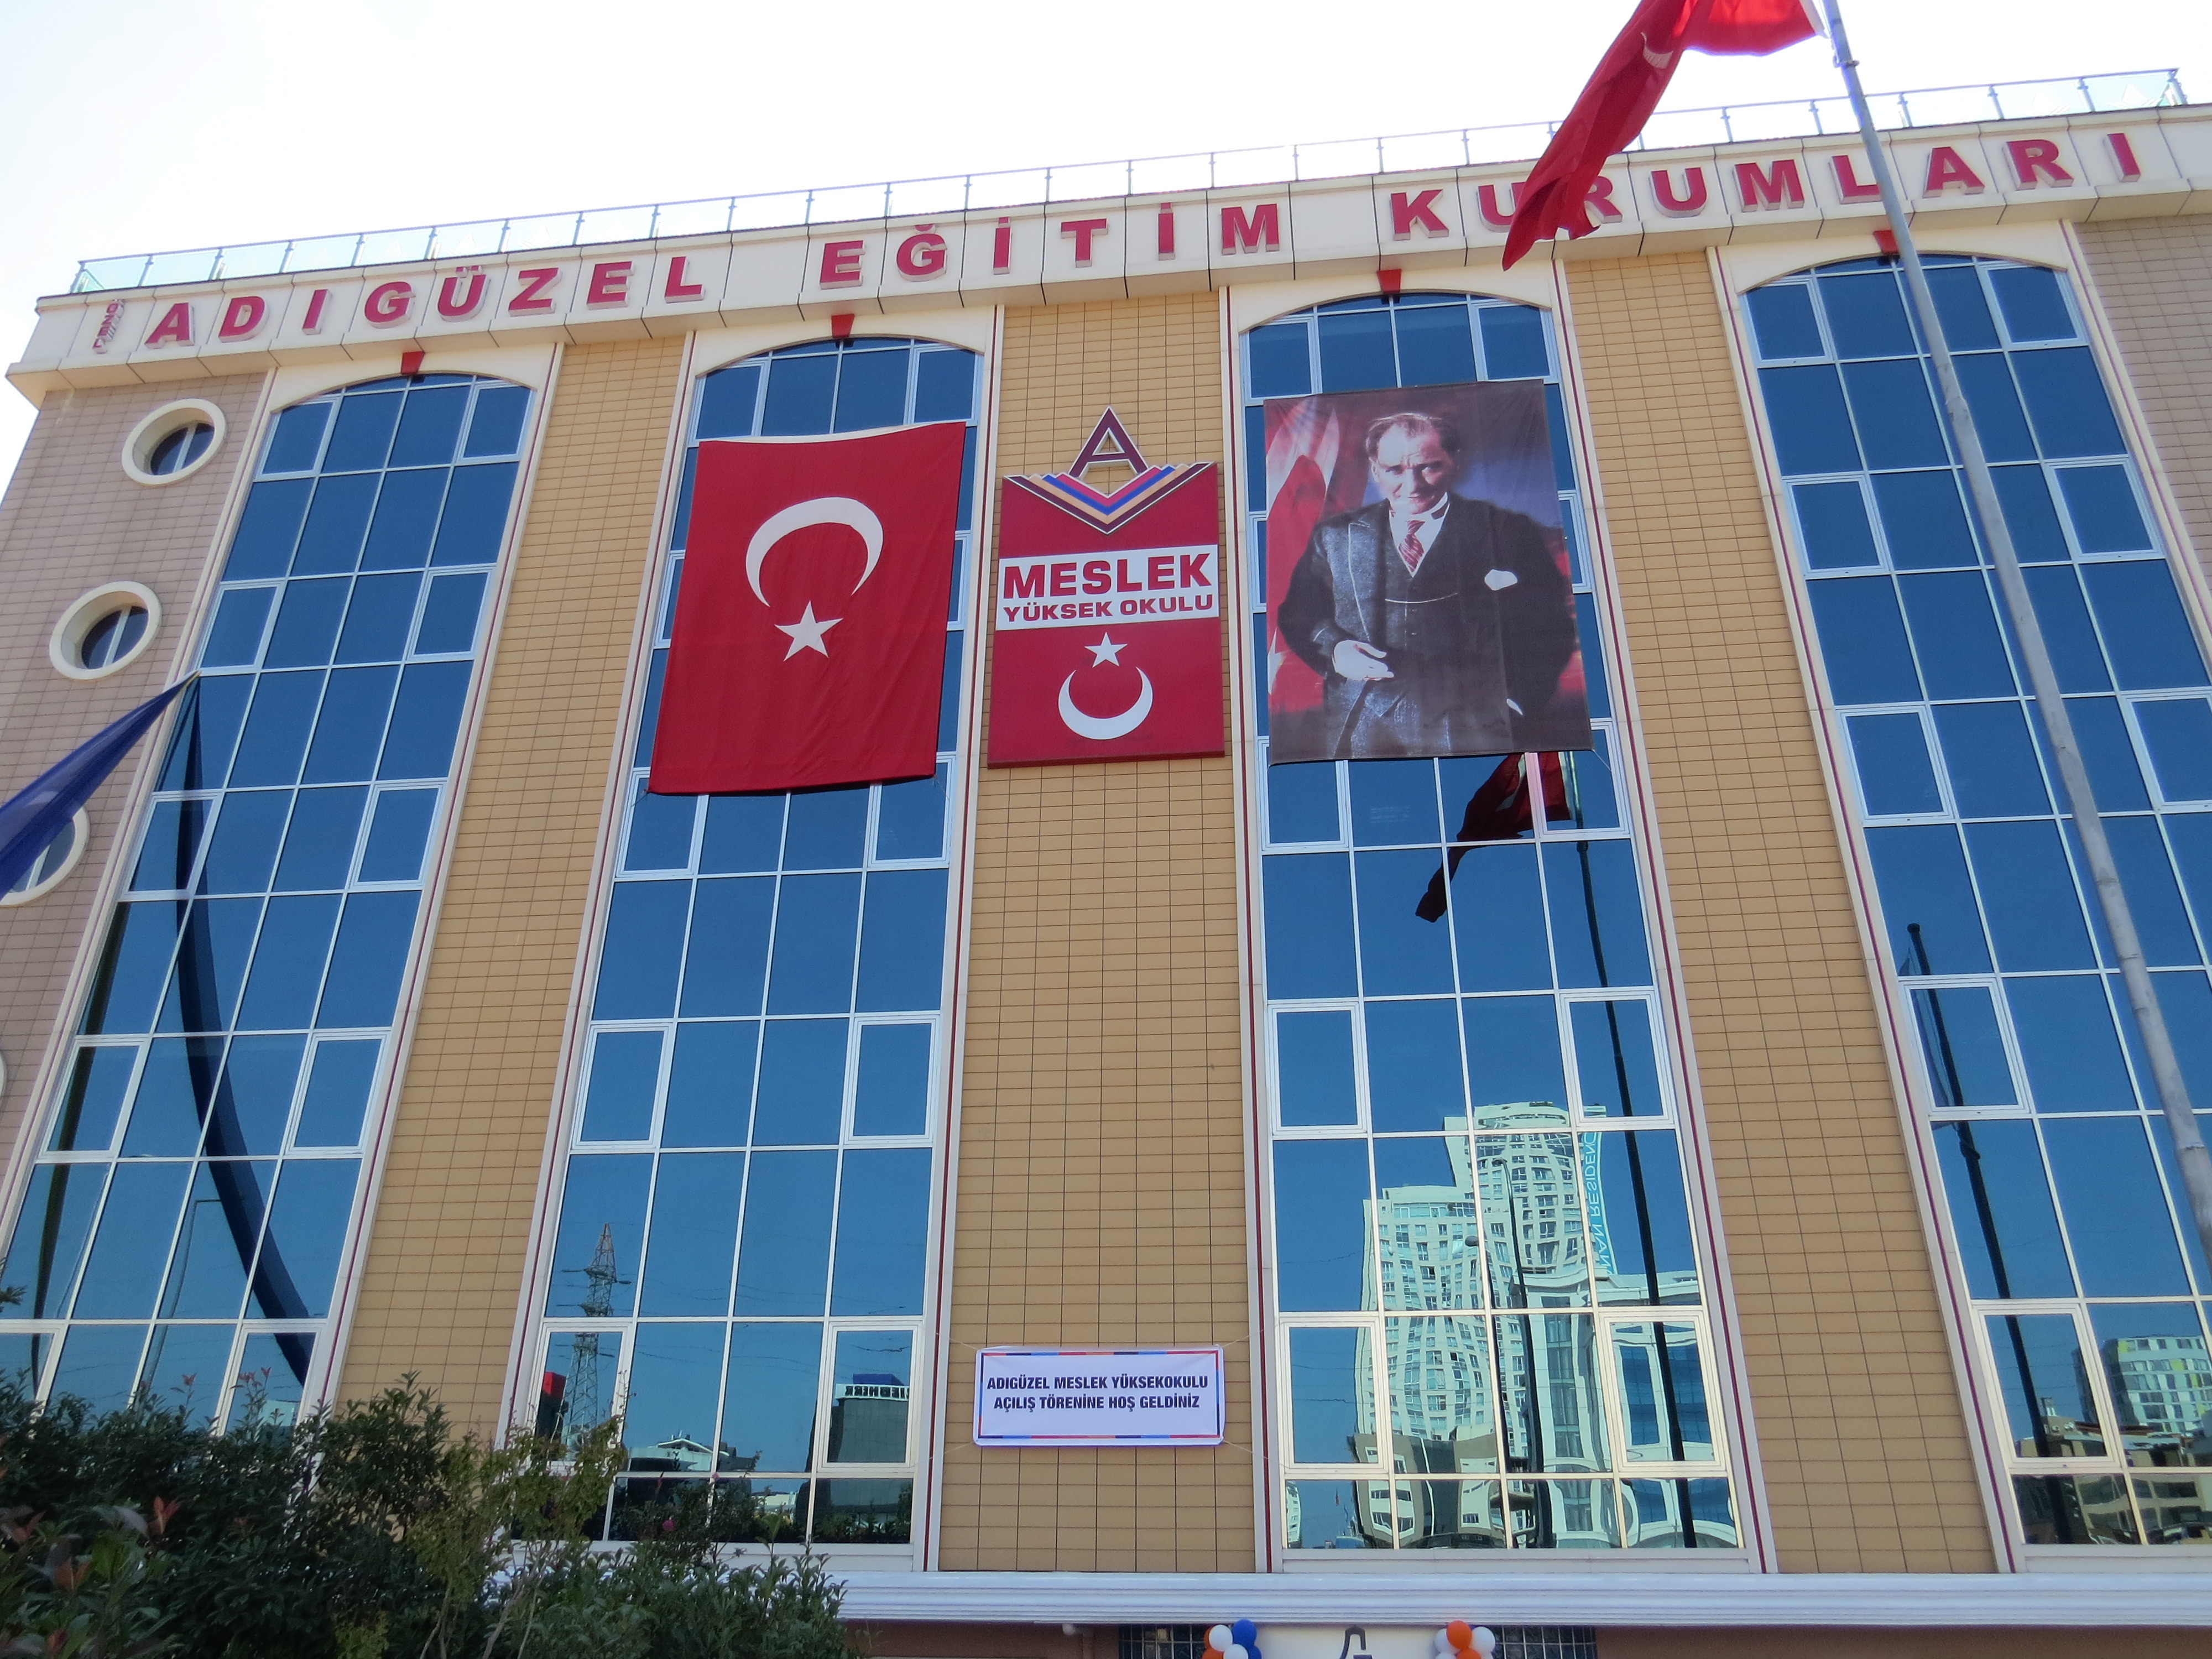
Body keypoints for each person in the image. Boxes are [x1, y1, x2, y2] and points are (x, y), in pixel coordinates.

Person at [1275, 411, 1580, 759]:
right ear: (1375, 470)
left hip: (1475, 724)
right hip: (1358, 724)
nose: (1413, 485)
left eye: (1429, 467)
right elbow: (1300, 613)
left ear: (1454, 464)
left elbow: (1551, 624)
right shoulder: (1334, 537)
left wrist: (1517, 702)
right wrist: (1336, 650)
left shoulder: (1508, 531)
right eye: (1395, 470)